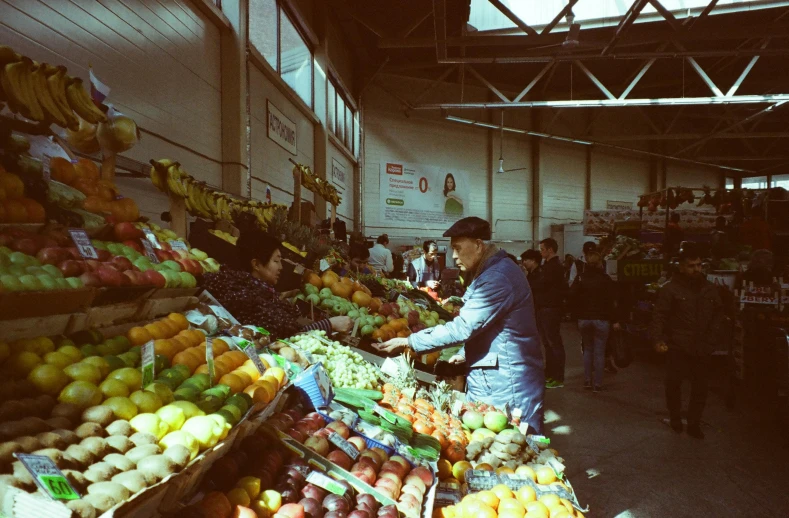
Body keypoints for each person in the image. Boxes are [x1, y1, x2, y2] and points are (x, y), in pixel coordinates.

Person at [372, 217, 545, 433]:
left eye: (457, 248)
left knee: (510, 449)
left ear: (479, 245)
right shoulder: (493, 272)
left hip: (507, 385)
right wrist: (464, 352)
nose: (453, 256)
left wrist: (410, 341)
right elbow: (491, 326)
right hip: (497, 377)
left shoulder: (498, 277)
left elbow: (464, 327)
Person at [650, 244, 724, 439]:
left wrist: (712, 339)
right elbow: (659, 316)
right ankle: (675, 417)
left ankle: (694, 423)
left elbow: (719, 314)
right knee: (674, 384)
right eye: (691, 266)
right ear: (681, 267)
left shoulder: (710, 289)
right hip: (678, 346)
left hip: (702, 346)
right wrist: (657, 339)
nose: (696, 269)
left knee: (701, 387)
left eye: (699, 265)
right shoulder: (670, 289)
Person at [236, 228, 352, 334]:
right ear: (256, 264)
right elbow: (286, 335)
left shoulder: (259, 290)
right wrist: (330, 324)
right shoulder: (247, 297)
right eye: (276, 261)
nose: (281, 267)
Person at [570, 252, 617, 392]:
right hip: (602, 319)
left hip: (584, 319)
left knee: (588, 349)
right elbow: (612, 301)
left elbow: (571, 295)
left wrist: (576, 314)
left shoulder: (580, 278)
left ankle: (587, 380)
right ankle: (597, 384)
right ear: (600, 264)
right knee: (599, 351)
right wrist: (614, 319)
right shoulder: (606, 279)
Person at [534, 238, 568, 389]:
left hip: (551, 309)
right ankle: (549, 374)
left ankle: (558, 378)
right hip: (545, 308)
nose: (541, 252)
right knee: (548, 344)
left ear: (550, 250)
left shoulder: (554, 267)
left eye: (542, 249)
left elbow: (542, 285)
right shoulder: (548, 266)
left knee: (554, 344)